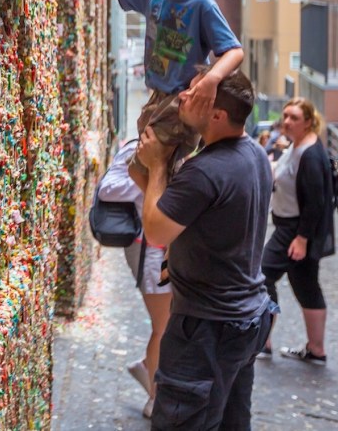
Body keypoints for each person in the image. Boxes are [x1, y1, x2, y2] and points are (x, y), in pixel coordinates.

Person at [130, 69, 273, 430]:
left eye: (195, 95)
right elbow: (206, 218)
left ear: (217, 115)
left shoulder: (206, 170)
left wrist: (157, 165)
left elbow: (157, 228)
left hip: (207, 329)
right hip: (246, 318)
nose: (183, 98)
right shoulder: (254, 153)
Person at [42, 0, 243, 139]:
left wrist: (211, 79)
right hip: (157, 97)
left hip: (180, 103)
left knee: (149, 161)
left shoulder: (203, 5)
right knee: (141, 162)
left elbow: (234, 51)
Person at [96, 102, 196, 419]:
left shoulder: (181, 156)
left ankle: (147, 370)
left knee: (168, 323)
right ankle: (154, 396)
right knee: (162, 327)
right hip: (148, 250)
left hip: (168, 251)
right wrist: (150, 177)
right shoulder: (136, 151)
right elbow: (108, 189)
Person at [259, 97, 335, 363]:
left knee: (262, 276)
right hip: (291, 226)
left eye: (294, 118)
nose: (287, 122)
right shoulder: (297, 145)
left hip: (294, 229)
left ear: (309, 122)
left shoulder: (311, 154)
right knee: (305, 285)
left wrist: (302, 238)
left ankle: (262, 341)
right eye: (286, 116)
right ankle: (316, 350)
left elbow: (316, 202)